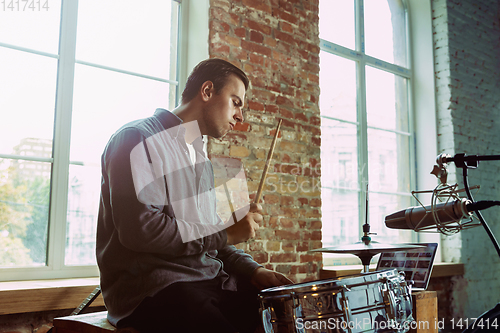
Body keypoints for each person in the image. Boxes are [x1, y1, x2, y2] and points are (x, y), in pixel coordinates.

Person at [96, 58, 292, 333]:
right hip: (155, 290)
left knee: (279, 315)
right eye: (236, 102)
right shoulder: (136, 138)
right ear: (207, 91)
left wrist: (253, 271)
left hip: (209, 282)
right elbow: (141, 230)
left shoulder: (201, 160)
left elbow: (210, 241)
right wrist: (225, 232)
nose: (240, 116)